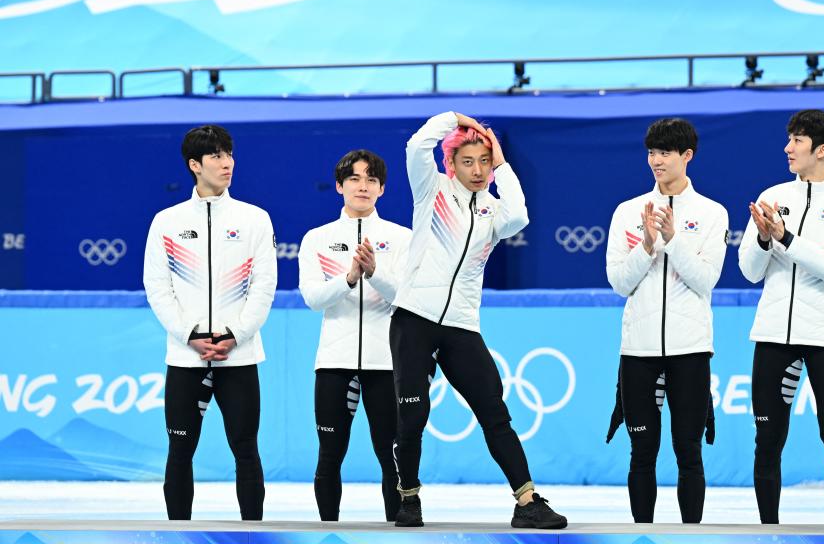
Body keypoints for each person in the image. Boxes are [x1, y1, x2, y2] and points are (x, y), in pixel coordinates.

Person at [388, 111, 567, 529]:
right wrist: (455, 118)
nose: (477, 170)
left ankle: (527, 502)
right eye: (468, 161)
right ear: (451, 164)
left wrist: (503, 164)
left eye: (484, 162)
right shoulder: (431, 190)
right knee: (412, 416)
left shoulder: (493, 210)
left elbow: (520, 215)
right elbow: (417, 146)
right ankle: (409, 498)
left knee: (493, 409)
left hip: (462, 325)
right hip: (414, 317)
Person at [738, 109, 824, 525]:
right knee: (767, 440)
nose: (787, 148)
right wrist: (763, 237)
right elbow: (749, 270)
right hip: (773, 335)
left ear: (822, 149)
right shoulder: (772, 197)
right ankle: (768, 531)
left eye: (796, 140)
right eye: (789, 139)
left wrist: (785, 238)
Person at [143, 124, 277, 520]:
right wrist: (189, 336)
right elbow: (157, 286)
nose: (227, 162)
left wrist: (236, 335)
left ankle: (253, 533)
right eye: (217, 155)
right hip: (186, 357)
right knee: (180, 450)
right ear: (194, 165)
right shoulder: (166, 221)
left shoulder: (255, 219)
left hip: (239, 356)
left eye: (229, 154)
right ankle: (178, 533)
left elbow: (265, 285)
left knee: (245, 448)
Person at [605, 118, 728, 523]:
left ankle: (692, 534)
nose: (656, 160)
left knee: (688, 453)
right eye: (651, 152)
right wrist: (646, 246)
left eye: (665, 153)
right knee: (641, 453)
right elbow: (620, 283)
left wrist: (673, 241)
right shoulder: (627, 212)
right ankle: (642, 533)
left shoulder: (712, 213)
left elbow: (706, 280)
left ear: (686, 156)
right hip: (637, 351)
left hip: (690, 350)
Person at [298, 150, 411, 521]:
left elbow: (408, 297)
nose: (363, 186)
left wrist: (374, 272)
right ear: (339, 186)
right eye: (354, 179)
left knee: (392, 456)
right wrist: (348, 278)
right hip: (334, 362)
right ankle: (326, 531)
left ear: (382, 189)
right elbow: (313, 299)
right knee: (329, 455)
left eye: (371, 180)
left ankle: (400, 530)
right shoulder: (317, 238)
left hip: (386, 363)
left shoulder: (402, 238)